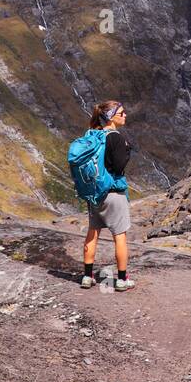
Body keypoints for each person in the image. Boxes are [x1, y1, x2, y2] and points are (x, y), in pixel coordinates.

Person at [80, 100, 135, 291]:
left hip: (95, 193)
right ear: (111, 116)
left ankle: (87, 276)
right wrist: (127, 150)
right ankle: (121, 279)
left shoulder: (94, 136)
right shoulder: (116, 138)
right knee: (119, 236)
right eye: (122, 112)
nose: (125, 115)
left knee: (92, 233)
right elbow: (119, 167)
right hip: (114, 193)